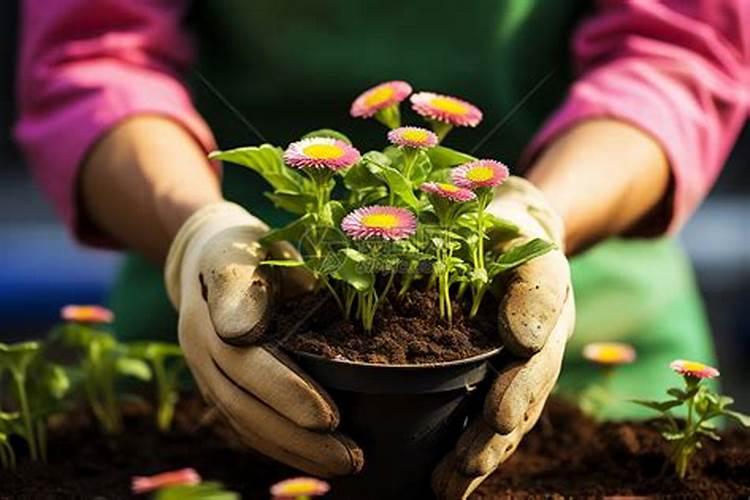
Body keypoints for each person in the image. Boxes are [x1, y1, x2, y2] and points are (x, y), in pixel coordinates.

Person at [15, 1, 748, 498]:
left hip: (599, 349)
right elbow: (95, 55)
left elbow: (675, 52)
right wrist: (195, 234)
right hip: (211, 342)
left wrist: (536, 217)